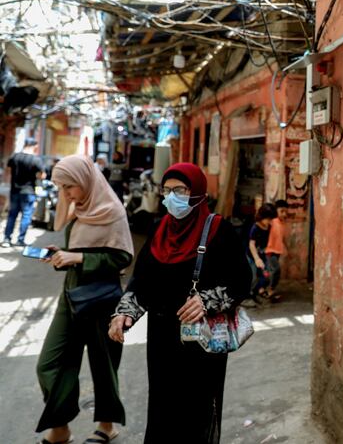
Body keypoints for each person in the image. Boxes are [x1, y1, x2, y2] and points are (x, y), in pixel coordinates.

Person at [108, 163, 251, 443]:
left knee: (198, 410)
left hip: (202, 340)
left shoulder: (219, 230)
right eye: (167, 190)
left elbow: (242, 281)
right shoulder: (160, 228)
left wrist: (207, 300)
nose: (172, 197)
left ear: (197, 192)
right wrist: (125, 313)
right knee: (162, 406)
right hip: (161, 337)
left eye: (181, 190)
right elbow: (143, 280)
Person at [35, 155, 134, 444]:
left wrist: (77, 257)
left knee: (103, 363)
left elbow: (122, 256)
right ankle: (61, 425)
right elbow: (81, 247)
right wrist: (62, 256)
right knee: (50, 363)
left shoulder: (112, 211)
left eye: (70, 187)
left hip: (102, 295)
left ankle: (107, 425)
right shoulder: (81, 208)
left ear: (87, 181)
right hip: (72, 291)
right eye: (62, 188)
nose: (66, 194)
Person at [3, 137, 46, 247]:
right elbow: (42, 175)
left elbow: (8, 171)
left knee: (12, 215)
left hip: (14, 190)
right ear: (34, 146)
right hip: (28, 191)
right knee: (26, 216)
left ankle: (7, 239)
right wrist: (35, 175)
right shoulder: (36, 160)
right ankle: (20, 240)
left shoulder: (14, 156)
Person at [248, 203, 274, 300]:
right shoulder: (255, 228)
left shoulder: (269, 226)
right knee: (253, 275)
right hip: (252, 255)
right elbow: (251, 244)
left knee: (264, 274)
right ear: (262, 217)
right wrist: (256, 258)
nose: (270, 222)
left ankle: (260, 290)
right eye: (268, 219)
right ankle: (249, 295)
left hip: (263, 254)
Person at [264, 199, 288, 302]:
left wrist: (285, 247)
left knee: (272, 271)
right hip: (270, 251)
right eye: (282, 211)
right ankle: (269, 290)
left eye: (286, 211)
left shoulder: (282, 223)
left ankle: (269, 290)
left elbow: (281, 238)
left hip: (277, 251)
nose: (284, 214)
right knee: (276, 270)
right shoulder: (272, 222)